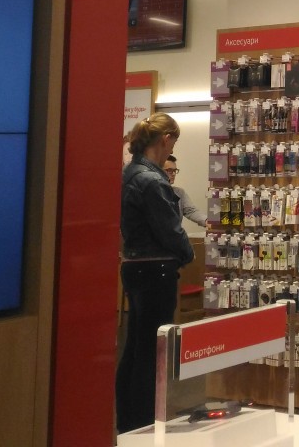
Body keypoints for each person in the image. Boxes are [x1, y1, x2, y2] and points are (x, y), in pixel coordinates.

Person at [116, 114, 194, 434]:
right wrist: (187, 254)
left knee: (135, 348)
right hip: (157, 270)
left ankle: (129, 421)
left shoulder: (129, 174)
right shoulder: (153, 181)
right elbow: (170, 230)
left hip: (134, 267)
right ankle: (145, 422)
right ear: (165, 139)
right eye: (174, 142)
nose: (173, 149)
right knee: (153, 352)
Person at [164, 154, 207, 226]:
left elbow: (191, 211)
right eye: (170, 170)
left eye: (175, 170)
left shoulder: (179, 192)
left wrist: (207, 221)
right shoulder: (152, 191)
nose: (173, 174)